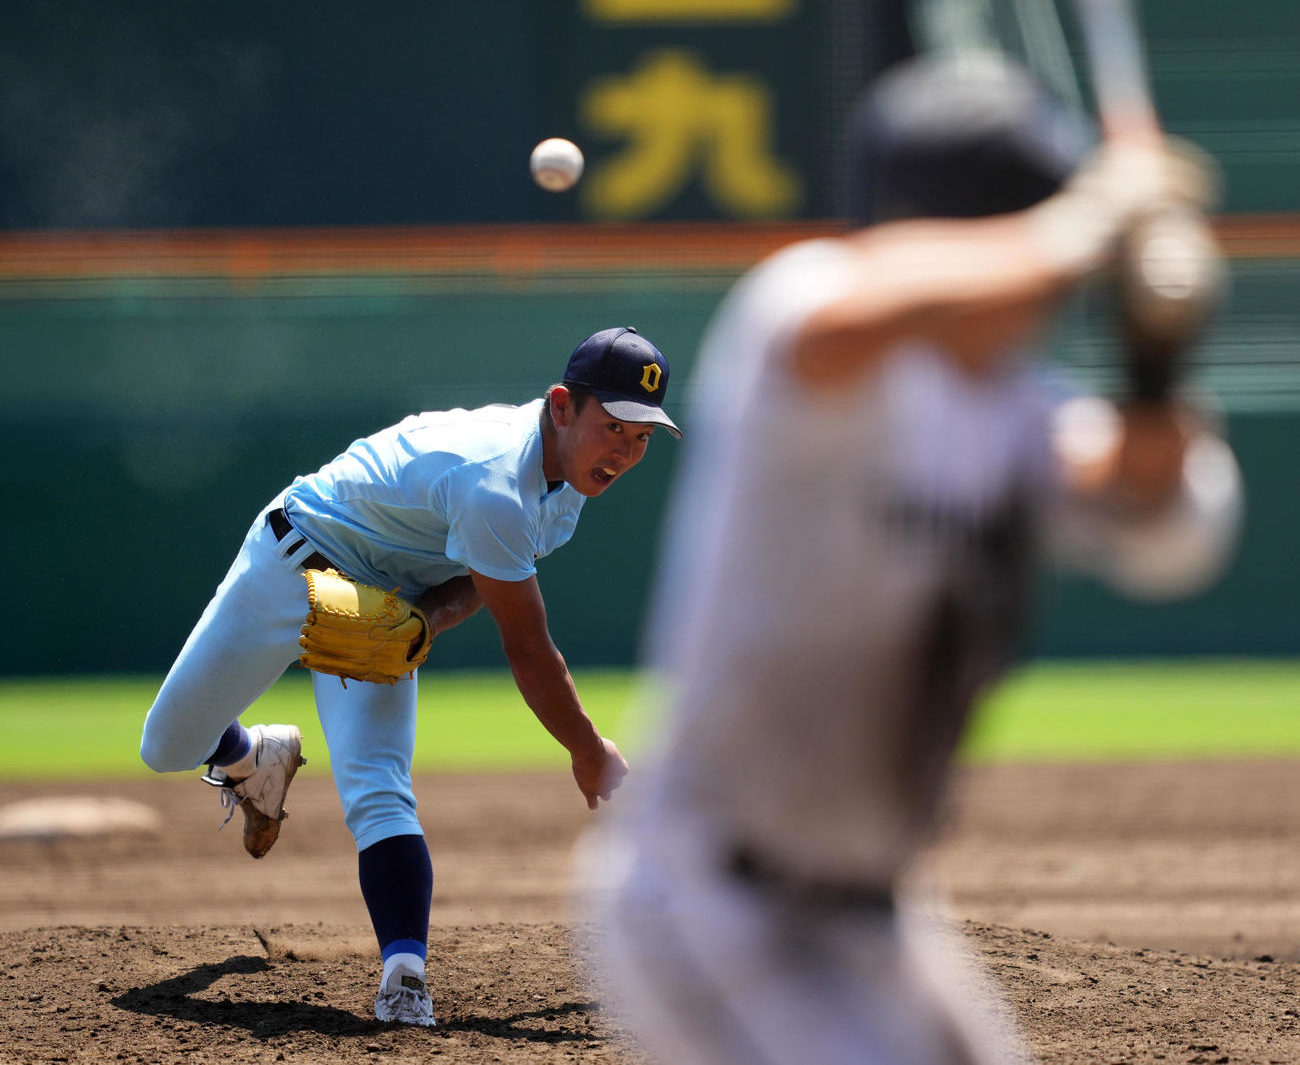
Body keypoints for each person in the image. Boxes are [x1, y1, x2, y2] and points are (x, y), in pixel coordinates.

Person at [582, 54, 1242, 1065]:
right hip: (715, 897)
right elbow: (854, 310)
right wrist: (1079, 229)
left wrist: (1156, 354)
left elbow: (1156, 511)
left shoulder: (1019, 414)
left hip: (875, 911)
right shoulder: (805, 328)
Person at [139, 326, 680, 1027]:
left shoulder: (567, 482)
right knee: (167, 745)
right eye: (614, 426)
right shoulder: (491, 479)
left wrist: (423, 618)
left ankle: (404, 975)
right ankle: (252, 756)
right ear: (561, 407)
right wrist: (587, 747)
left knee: (379, 787)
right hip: (294, 559)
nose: (626, 451)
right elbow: (530, 647)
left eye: (642, 436)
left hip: (387, 598)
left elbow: (482, 577)